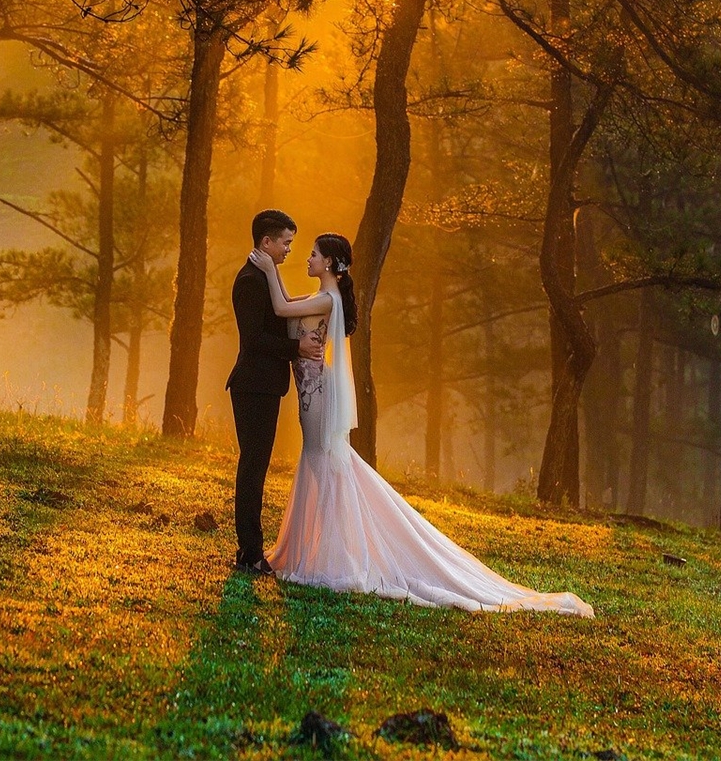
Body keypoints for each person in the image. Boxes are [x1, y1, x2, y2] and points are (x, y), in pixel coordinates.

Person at [247, 233, 594, 616]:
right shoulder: (323, 298)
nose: (307, 259)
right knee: (321, 463)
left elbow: (280, 309)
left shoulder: (327, 300)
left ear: (329, 263)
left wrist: (266, 268)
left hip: (315, 395)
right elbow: (288, 306)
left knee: (322, 463)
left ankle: (329, 556)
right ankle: (316, 550)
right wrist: (272, 276)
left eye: (312, 255)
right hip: (312, 392)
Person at [226, 209, 324, 575]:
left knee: (256, 465)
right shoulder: (250, 280)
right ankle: (250, 553)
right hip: (252, 386)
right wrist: (296, 349)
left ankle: (250, 551)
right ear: (266, 242)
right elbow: (253, 340)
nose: (288, 250)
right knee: (252, 467)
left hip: (265, 387)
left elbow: (283, 309)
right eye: (285, 242)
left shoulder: (264, 275)